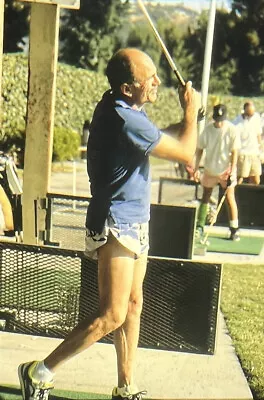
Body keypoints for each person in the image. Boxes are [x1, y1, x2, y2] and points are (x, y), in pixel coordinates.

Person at [18, 48, 199, 400]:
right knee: (113, 315)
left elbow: (162, 137)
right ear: (127, 88)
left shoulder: (125, 108)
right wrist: (191, 114)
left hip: (135, 219)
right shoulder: (124, 117)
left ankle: (126, 386)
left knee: (133, 306)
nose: (157, 82)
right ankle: (38, 372)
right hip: (117, 222)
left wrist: (186, 120)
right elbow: (186, 150)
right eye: (149, 79)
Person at [194, 104, 240, 242]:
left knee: (229, 198)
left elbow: (235, 151)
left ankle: (234, 229)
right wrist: (196, 167)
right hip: (210, 169)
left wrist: (232, 170)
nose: (218, 122)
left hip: (226, 170)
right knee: (206, 196)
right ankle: (200, 227)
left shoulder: (232, 129)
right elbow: (200, 149)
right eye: (216, 119)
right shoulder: (208, 129)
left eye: (221, 119)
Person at [233, 101, 262, 184]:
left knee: (256, 179)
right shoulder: (237, 123)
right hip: (243, 154)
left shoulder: (256, 118)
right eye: (249, 113)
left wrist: (261, 150)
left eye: (252, 114)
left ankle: (253, 196)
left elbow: (258, 134)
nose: (250, 116)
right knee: (240, 179)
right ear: (244, 111)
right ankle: (237, 194)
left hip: (254, 154)